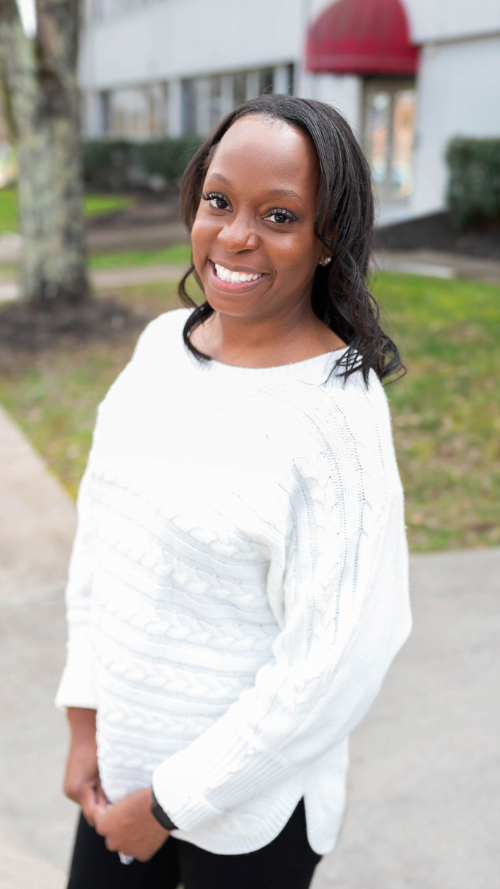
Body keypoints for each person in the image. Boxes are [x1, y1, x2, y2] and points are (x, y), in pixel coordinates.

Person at [57, 94, 411, 889]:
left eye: (279, 215)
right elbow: (101, 544)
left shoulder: (337, 420)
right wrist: (84, 721)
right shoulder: (158, 350)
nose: (237, 235)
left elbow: (334, 664)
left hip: (250, 820)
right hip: (120, 774)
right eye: (219, 200)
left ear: (328, 240)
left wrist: (171, 804)